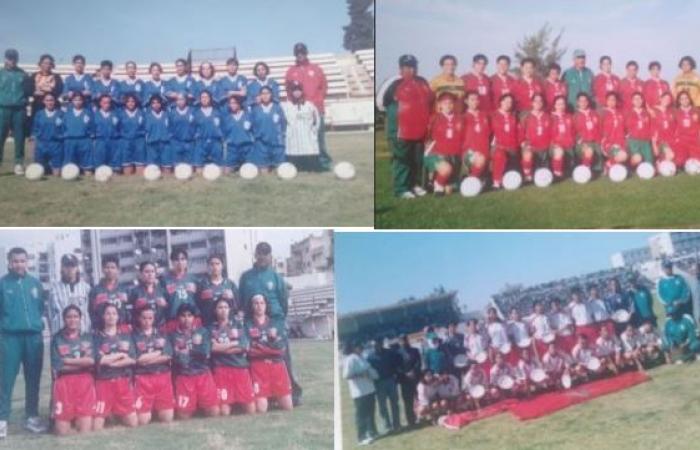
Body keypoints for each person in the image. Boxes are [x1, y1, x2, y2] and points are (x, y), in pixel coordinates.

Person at [0, 248, 47, 439]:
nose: (19, 264)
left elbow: (40, 307)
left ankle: (32, 417)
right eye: (15, 261)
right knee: (6, 380)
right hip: (10, 338)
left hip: (34, 337)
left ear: (27, 262)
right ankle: (2, 420)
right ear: (9, 263)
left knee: (33, 378)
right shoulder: (2, 284)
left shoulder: (35, 283)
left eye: (22, 261)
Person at [382, 54, 432, 198]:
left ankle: (415, 185)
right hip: (401, 131)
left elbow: (429, 100)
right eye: (407, 67)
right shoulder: (393, 82)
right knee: (402, 159)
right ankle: (401, 188)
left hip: (420, 130)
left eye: (413, 67)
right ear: (401, 68)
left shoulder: (422, 82)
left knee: (417, 159)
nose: (411, 70)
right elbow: (381, 103)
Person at [285, 42, 332, 168]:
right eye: (298, 53)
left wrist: (318, 101)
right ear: (295, 55)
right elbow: (289, 91)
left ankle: (323, 160)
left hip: (316, 107)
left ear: (306, 53)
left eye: (302, 52)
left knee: (318, 135)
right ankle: (304, 161)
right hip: (299, 110)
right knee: (301, 136)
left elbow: (324, 87)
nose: (300, 55)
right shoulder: (291, 71)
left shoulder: (316, 69)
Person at [50, 305, 96, 435]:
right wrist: (81, 363)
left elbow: (91, 361)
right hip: (64, 383)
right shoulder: (57, 338)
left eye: (75, 316)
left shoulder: (87, 337)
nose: (72, 319)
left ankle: (78, 417)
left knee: (85, 430)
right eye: (69, 317)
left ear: (80, 318)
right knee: (61, 432)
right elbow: (57, 366)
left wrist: (67, 360)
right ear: (64, 319)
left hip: (84, 382)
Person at [170, 304, 220, 419]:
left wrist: (187, 351)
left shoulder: (203, 332)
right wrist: (195, 351)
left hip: (203, 373)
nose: (186, 319)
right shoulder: (172, 335)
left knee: (214, 412)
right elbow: (175, 357)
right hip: (184, 375)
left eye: (189, 315)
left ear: (194, 318)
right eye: (183, 316)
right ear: (178, 318)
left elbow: (205, 353)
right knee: (183, 416)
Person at [92, 304, 138, 430]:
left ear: (118, 317)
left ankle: (115, 412)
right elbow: (99, 360)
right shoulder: (96, 338)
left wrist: (110, 361)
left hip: (122, 381)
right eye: (108, 313)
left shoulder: (126, 336)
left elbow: (132, 359)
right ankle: (109, 413)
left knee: (133, 423)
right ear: (103, 316)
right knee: (97, 427)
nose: (111, 316)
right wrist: (121, 354)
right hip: (104, 382)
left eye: (114, 313)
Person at [246, 294, 293, 413]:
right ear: (251, 306)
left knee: (288, 407)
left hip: (277, 365)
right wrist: (271, 348)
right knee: (261, 409)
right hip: (258, 367)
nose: (259, 306)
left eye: (262, 303)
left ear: (266, 305)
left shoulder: (275, 324)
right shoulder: (247, 325)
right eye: (256, 303)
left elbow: (281, 349)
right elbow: (249, 351)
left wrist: (259, 347)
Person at [209, 298, 255, 415]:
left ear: (229, 310)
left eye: (225, 307)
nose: (223, 310)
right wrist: (234, 343)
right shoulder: (211, 328)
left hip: (239, 367)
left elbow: (244, 347)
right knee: (224, 412)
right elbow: (211, 348)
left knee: (251, 410)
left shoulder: (238, 326)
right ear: (215, 310)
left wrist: (221, 347)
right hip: (221, 369)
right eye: (220, 307)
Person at [131, 306, 174, 425]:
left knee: (167, 418)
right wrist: (158, 352)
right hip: (143, 378)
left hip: (162, 376)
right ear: (139, 318)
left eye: (150, 318)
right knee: (142, 420)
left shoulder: (161, 334)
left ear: (154, 319)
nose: (147, 321)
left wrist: (147, 359)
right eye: (144, 318)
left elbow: (168, 356)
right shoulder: (134, 336)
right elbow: (137, 359)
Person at [0, 48, 32, 175]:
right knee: (0, 136)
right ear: (5, 58)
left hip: (19, 109)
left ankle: (18, 164)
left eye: (14, 58)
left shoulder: (23, 74)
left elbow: (28, 92)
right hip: (3, 108)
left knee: (19, 138)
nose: (12, 60)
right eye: (9, 58)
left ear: (17, 59)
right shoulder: (0, 73)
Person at [425, 92, 463, 195]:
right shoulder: (433, 118)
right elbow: (426, 137)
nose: (448, 105)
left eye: (451, 103)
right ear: (440, 105)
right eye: (445, 103)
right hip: (437, 154)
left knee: (450, 189)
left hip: (454, 156)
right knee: (446, 169)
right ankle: (437, 185)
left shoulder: (460, 118)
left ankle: (440, 181)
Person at [342, 341, 378, 445]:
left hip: (369, 390)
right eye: (359, 347)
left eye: (361, 347)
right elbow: (346, 375)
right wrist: (361, 374)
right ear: (354, 348)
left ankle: (372, 432)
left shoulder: (361, 357)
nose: (361, 349)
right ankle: (361, 437)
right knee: (361, 415)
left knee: (370, 413)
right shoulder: (350, 359)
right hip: (359, 392)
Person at [281, 81, 323, 171]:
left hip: (307, 138)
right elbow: (283, 122)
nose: (297, 92)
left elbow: (317, 120)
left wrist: (314, 131)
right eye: (294, 90)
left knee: (312, 165)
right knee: (294, 164)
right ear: (291, 92)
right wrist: (286, 133)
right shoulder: (286, 106)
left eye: (299, 90)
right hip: (293, 139)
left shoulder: (309, 105)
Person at [48, 254, 91, 335]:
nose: (70, 269)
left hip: (83, 334)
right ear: (61, 268)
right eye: (66, 266)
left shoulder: (86, 288)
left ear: (77, 268)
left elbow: (90, 311)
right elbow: (50, 314)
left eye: (73, 266)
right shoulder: (54, 289)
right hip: (60, 334)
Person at [89, 255, 131, 333]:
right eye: (107, 267)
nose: (110, 270)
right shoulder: (95, 290)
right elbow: (91, 312)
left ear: (118, 270)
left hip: (122, 329)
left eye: (113, 267)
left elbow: (129, 311)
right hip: (102, 330)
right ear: (102, 269)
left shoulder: (125, 289)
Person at [367, 340, 401, 432]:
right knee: (382, 406)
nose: (376, 347)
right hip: (379, 383)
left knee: (395, 403)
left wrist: (395, 375)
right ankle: (387, 425)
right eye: (373, 346)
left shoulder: (389, 353)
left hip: (390, 380)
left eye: (377, 345)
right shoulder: (370, 357)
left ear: (381, 344)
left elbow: (395, 364)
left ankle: (397, 424)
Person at [250, 86, 287, 171]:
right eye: (263, 93)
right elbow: (252, 126)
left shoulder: (277, 108)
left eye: (267, 93)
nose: (265, 96)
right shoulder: (255, 109)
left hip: (276, 144)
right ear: (260, 95)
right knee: (263, 171)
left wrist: (281, 137)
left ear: (271, 95)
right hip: (261, 144)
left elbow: (283, 124)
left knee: (281, 170)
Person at [162, 249, 199, 330]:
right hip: (173, 320)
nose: (180, 262)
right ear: (172, 262)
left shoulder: (194, 279)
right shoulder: (164, 281)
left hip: (192, 319)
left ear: (187, 261)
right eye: (176, 259)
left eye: (182, 259)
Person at [197, 254, 239, 327]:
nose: (215, 267)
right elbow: (197, 305)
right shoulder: (202, 285)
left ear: (222, 265)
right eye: (212, 264)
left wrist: (232, 298)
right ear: (208, 267)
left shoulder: (230, 284)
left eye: (217, 264)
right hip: (208, 324)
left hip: (227, 325)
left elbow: (238, 306)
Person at [519, 93, 552, 181]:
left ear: (543, 103)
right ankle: (527, 176)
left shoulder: (547, 116)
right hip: (532, 146)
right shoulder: (526, 117)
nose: (538, 103)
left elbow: (552, 132)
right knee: (527, 154)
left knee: (544, 173)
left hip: (545, 147)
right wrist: (523, 143)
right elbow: (521, 132)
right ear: (532, 103)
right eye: (536, 101)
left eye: (540, 101)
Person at [490, 93, 519, 189]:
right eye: (506, 101)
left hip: (513, 149)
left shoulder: (514, 116)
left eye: (510, 102)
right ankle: (496, 182)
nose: (508, 104)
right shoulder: (493, 116)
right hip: (499, 147)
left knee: (513, 175)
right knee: (499, 155)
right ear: (501, 102)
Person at [30, 92, 64, 175]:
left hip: (55, 145)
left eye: (51, 100)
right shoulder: (39, 114)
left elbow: (64, 130)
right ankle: (46, 164)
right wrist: (33, 146)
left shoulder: (61, 114)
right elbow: (34, 130)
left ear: (55, 101)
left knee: (56, 174)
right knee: (39, 172)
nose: (50, 102)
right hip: (42, 145)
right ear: (44, 101)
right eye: (47, 100)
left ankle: (52, 165)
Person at [128, 261, 168, 331]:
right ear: (140, 274)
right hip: (141, 331)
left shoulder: (163, 290)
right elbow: (129, 314)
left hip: (161, 330)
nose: (150, 274)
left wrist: (165, 305)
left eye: (152, 271)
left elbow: (170, 310)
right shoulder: (134, 292)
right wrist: (136, 307)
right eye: (147, 272)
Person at [193, 90, 224, 171]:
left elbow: (223, 126)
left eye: (206, 97)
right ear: (200, 99)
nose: (204, 99)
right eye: (202, 97)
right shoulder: (196, 113)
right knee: (198, 170)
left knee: (219, 169)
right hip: (201, 142)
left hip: (215, 142)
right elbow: (192, 127)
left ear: (210, 98)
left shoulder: (217, 112)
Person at [462, 90, 491, 178]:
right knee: (480, 159)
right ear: (466, 101)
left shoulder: (485, 115)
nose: (475, 102)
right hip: (470, 152)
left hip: (485, 150)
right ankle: (471, 180)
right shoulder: (462, 117)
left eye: (476, 99)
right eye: (472, 99)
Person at [221, 95, 254, 172]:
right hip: (233, 148)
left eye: (234, 103)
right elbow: (224, 134)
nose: (232, 105)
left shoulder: (247, 116)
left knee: (251, 171)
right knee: (226, 172)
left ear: (239, 104)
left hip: (246, 148)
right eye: (230, 103)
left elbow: (253, 131)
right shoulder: (227, 118)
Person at [600, 92, 629, 172]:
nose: (611, 102)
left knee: (624, 156)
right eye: (609, 100)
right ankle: (608, 164)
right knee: (622, 156)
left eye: (613, 100)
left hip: (621, 142)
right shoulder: (602, 113)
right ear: (606, 101)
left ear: (616, 101)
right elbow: (599, 129)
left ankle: (609, 164)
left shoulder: (620, 113)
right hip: (608, 143)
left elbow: (625, 128)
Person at [573, 92, 602, 171]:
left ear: (588, 102)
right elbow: (573, 133)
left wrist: (600, 141)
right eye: (581, 101)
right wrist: (580, 142)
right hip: (583, 143)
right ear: (577, 102)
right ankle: (584, 171)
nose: (583, 103)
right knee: (589, 151)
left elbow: (600, 128)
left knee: (598, 168)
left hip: (596, 142)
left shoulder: (594, 113)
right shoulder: (575, 116)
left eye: (585, 101)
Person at [93, 94, 121, 173]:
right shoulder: (95, 115)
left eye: (108, 103)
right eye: (104, 102)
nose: (107, 105)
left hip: (113, 142)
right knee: (99, 169)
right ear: (100, 103)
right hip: (100, 142)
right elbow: (92, 129)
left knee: (115, 170)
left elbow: (120, 128)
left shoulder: (116, 114)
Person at [397, 334, 421, 427]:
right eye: (401, 341)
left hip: (415, 378)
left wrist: (413, 371)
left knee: (419, 398)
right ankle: (411, 420)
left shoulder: (415, 350)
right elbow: (397, 367)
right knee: (408, 401)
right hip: (405, 380)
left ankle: (422, 416)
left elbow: (418, 362)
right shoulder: (397, 353)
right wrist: (405, 373)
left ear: (408, 340)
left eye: (405, 340)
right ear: (399, 342)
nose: (404, 342)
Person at [119, 93, 146, 175]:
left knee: (140, 170)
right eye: (128, 101)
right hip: (126, 142)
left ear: (136, 102)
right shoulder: (121, 114)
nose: (131, 103)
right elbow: (117, 128)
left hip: (139, 142)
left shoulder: (141, 113)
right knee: (127, 171)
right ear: (125, 103)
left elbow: (145, 127)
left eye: (133, 101)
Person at [549, 95, 575, 177]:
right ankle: (556, 174)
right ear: (555, 105)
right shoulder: (550, 117)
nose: (561, 106)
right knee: (559, 151)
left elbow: (574, 131)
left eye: (563, 104)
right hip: (555, 146)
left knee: (569, 168)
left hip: (568, 145)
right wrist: (553, 143)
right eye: (558, 104)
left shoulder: (569, 117)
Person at [625, 92, 653, 166]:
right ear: (632, 101)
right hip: (634, 141)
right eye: (635, 99)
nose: (637, 101)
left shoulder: (647, 113)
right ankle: (628, 165)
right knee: (637, 159)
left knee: (650, 165)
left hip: (646, 141)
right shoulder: (628, 113)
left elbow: (651, 127)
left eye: (639, 99)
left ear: (642, 100)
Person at [168, 93, 196, 166]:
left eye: (182, 99)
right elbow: (169, 127)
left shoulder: (192, 111)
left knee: (189, 167)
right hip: (176, 142)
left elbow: (196, 125)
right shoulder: (172, 112)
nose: (180, 101)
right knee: (177, 167)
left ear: (186, 100)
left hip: (189, 143)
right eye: (178, 100)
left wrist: (193, 136)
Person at [143, 95, 170, 169]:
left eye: (158, 102)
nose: (156, 105)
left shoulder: (167, 115)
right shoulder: (147, 116)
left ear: (161, 104)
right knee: (153, 169)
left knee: (167, 169)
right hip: (152, 145)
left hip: (165, 145)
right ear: (151, 104)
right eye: (153, 103)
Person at [651, 92, 678, 166]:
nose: (667, 100)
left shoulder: (672, 112)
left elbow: (676, 127)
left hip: (672, 140)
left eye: (669, 99)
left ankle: (660, 161)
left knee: (678, 160)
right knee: (671, 155)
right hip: (661, 141)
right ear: (660, 99)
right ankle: (659, 165)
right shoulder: (653, 111)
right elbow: (652, 129)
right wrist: (654, 144)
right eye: (665, 98)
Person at [673, 91, 700, 165]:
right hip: (682, 142)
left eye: (686, 98)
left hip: (694, 141)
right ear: (679, 101)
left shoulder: (697, 111)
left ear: (689, 99)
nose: (684, 100)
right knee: (679, 162)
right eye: (682, 99)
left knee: (697, 163)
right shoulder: (676, 112)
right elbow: (673, 128)